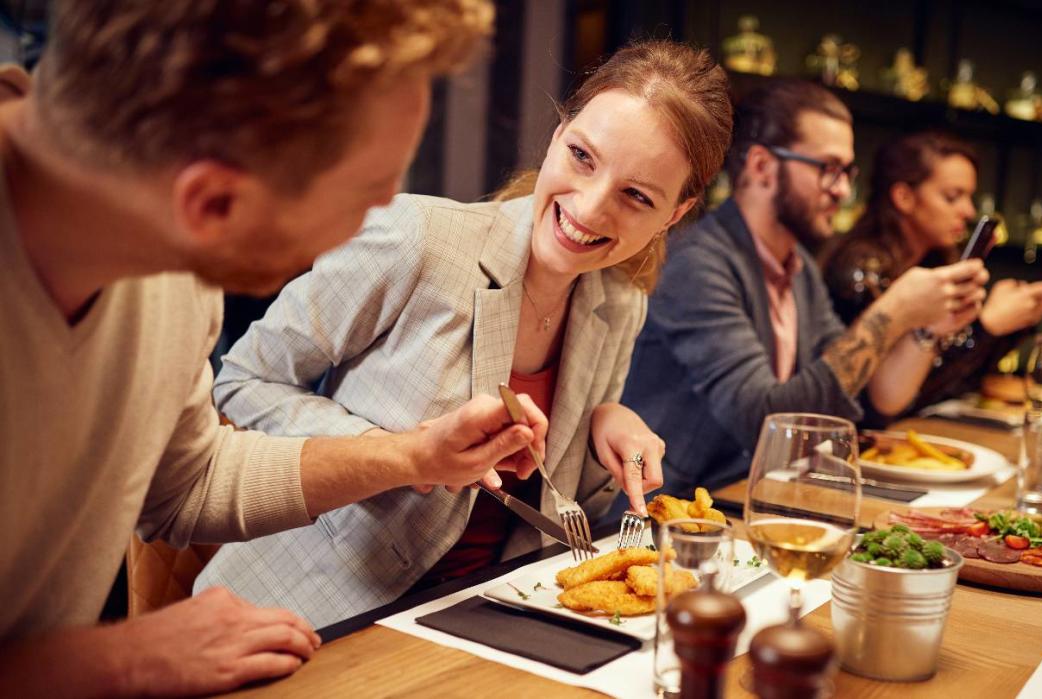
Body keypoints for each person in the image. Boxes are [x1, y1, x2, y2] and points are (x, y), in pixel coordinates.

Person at [0, 2, 544, 696]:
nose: (375, 226)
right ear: (212, 203)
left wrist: (415, 455)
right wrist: (122, 658)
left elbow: (189, 480)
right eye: (366, 197)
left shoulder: (168, 247)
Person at [192, 41, 734, 629]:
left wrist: (607, 418)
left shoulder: (620, 303)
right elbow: (243, 380)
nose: (591, 207)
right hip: (308, 610)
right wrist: (401, 455)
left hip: (487, 619)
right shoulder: (417, 238)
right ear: (557, 136)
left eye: (636, 196)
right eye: (582, 156)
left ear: (674, 215)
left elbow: (572, 510)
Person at [620, 79, 988, 496]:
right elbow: (763, 422)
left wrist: (926, 328)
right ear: (761, 166)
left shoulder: (798, 268)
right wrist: (893, 312)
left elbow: (874, 396)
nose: (843, 190)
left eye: (848, 172)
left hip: (754, 501)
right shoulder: (696, 263)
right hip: (672, 514)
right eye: (828, 168)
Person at [824, 131, 1042, 419]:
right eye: (952, 197)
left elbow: (958, 384)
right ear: (904, 197)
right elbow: (885, 405)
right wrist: (986, 328)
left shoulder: (934, 263)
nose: (968, 211)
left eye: (969, 197)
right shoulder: (859, 271)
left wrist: (1009, 328)